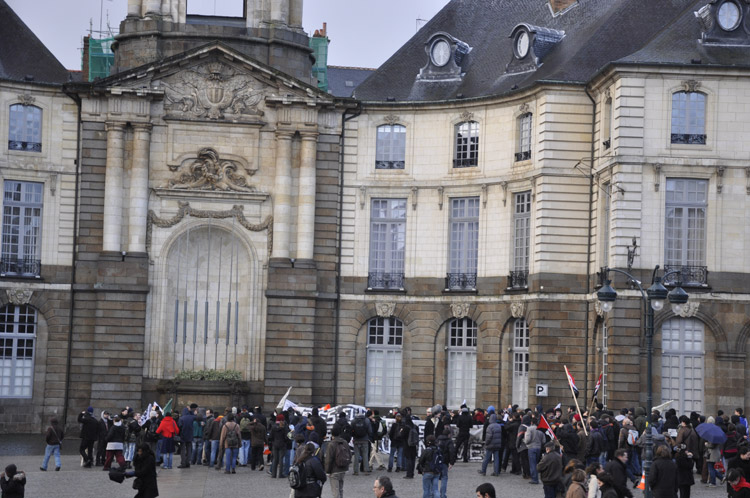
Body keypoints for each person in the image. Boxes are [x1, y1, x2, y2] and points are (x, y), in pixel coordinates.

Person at [325, 425, 350, 498]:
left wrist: (327, 471)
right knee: (340, 489)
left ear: (332, 434)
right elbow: (349, 454)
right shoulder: (344, 442)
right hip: (343, 469)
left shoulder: (331, 444)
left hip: (334, 470)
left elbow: (329, 459)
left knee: (335, 492)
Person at [436, 426, 455, 498]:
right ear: (449, 435)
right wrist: (451, 462)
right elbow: (452, 451)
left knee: (435, 477)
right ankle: (443, 495)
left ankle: (434, 494)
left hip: (437, 461)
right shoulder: (449, 441)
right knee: (444, 478)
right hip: (444, 461)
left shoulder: (437, 440)